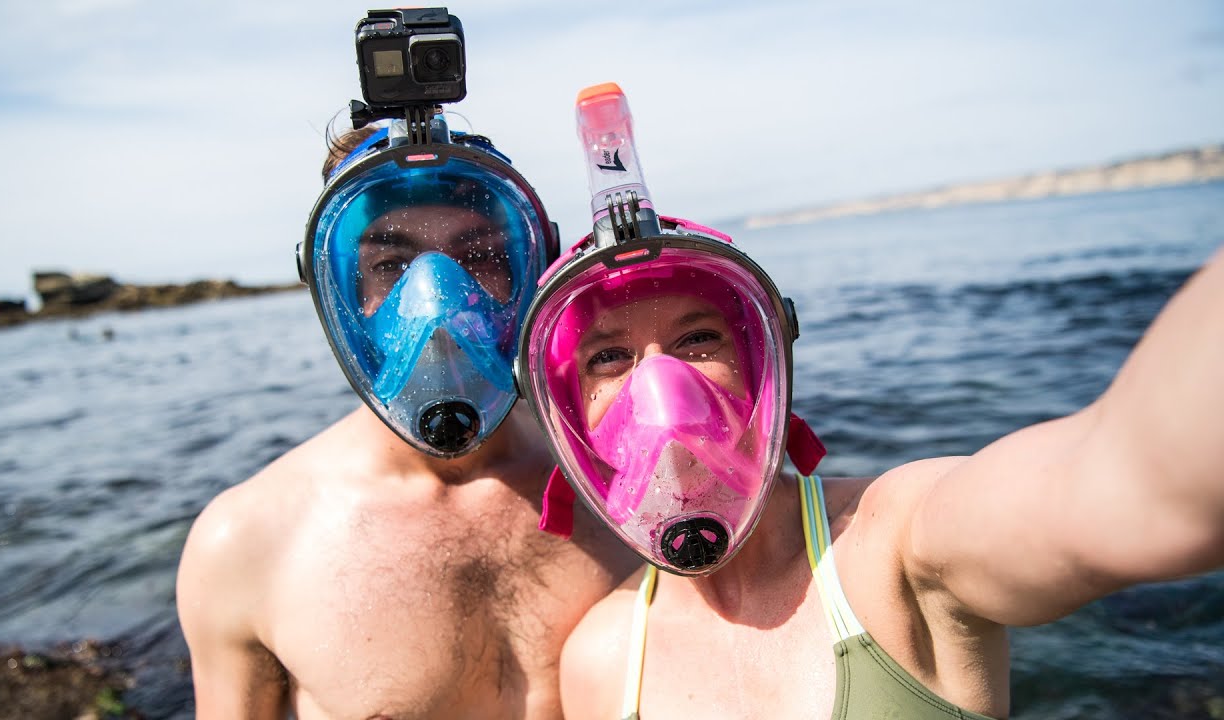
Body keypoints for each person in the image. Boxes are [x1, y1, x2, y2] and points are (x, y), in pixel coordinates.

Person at [516, 84, 1224, 719]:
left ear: (762, 368)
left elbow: (1120, 478)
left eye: (700, 340)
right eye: (609, 357)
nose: (661, 394)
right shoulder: (603, 661)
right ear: (573, 410)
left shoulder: (896, 547)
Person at [176, 115, 637, 719]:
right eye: (393, 266)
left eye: (479, 256)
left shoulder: (625, 482)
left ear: (529, 271)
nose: (437, 300)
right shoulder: (247, 542)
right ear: (339, 288)